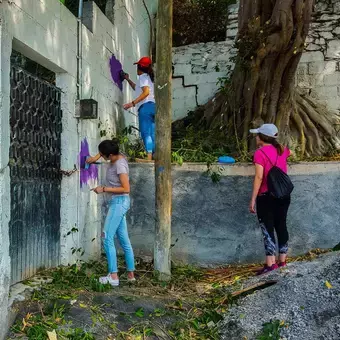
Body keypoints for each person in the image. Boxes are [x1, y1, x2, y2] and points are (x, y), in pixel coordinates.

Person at [89, 139, 135, 286]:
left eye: (103, 155)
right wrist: (95, 158)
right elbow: (106, 152)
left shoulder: (120, 165)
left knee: (107, 237)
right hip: (119, 203)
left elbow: (126, 188)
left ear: (110, 155)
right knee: (123, 239)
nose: (101, 157)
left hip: (119, 202)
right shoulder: (118, 156)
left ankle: (113, 276)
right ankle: (130, 275)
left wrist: (104, 189)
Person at [249, 124, 291, 275]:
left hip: (266, 196)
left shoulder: (260, 153)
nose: (256, 137)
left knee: (267, 228)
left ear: (262, 137)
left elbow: (259, 177)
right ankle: (282, 261)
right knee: (281, 225)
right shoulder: (283, 150)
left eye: (257, 134)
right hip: (284, 195)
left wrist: (253, 199)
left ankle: (270, 264)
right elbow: (289, 153)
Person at [123, 57, 156, 161]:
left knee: (146, 132)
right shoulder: (150, 78)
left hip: (145, 107)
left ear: (140, 67)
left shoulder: (142, 77)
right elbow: (137, 89)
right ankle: (154, 156)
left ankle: (149, 158)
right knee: (152, 132)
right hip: (153, 107)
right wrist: (128, 79)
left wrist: (132, 103)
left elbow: (145, 92)